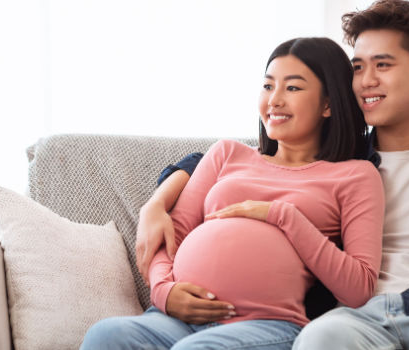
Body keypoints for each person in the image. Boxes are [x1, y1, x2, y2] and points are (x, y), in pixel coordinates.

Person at [135, 1, 409, 349]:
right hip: (352, 318)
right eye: (357, 67)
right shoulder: (338, 157)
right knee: (319, 340)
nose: (365, 81)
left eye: (383, 65)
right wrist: (158, 199)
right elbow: (244, 159)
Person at [81, 37, 385, 350]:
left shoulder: (355, 176)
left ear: (328, 104)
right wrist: (164, 292)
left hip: (265, 325)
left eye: (292, 88)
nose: (274, 100)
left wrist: (281, 215)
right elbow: (175, 234)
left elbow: (358, 287)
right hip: (175, 320)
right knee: (104, 336)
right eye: (268, 86)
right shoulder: (226, 154)